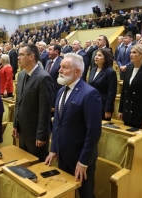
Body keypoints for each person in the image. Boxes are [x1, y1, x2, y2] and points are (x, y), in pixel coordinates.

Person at [45, 53, 102, 198]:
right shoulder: (60, 91)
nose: (60, 70)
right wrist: (53, 149)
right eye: (60, 67)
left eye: (65, 67)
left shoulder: (90, 94)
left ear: (77, 71)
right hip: (63, 154)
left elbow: (93, 132)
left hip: (80, 156)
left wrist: (83, 161)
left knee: (85, 193)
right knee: (66, 191)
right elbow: (57, 123)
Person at [13, 44, 53, 162]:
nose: (18, 58)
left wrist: (41, 134)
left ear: (31, 56)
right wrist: (16, 124)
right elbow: (18, 102)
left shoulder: (43, 77)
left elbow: (44, 109)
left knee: (37, 166)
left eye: (21, 55)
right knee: (25, 164)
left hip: (35, 132)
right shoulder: (21, 75)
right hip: (23, 130)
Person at [118, 44, 142, 129]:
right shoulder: (129, 69)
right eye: (131, 52)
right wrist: (121, 110)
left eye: (134, 52)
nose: (131, 54)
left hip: (139, 113)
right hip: (127, 111)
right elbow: (124, 92)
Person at [88, 49, 117, 121]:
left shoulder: (110, 72)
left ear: (106, 58)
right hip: (91, 103)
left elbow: (111, 93)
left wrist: (108, 109)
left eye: (99, 55)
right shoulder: (93, 70)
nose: (96, 57)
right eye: (96, 55)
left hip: (102, 105)